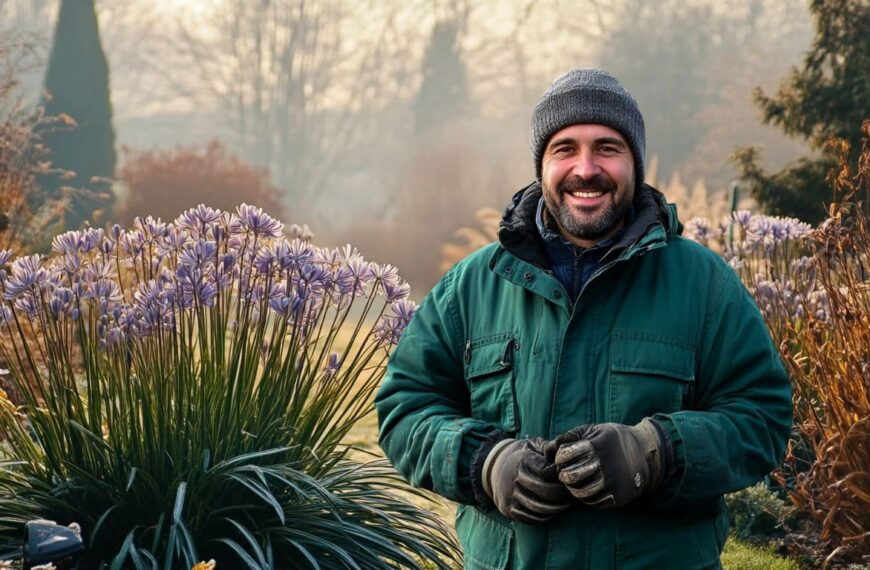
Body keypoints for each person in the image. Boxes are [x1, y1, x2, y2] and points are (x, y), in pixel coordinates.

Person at [375, 68, 792, 569]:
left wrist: (654, 452)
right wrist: (484, 463)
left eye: (607, 148)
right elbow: (405, 407)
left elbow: (762, 417)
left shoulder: (702, 284)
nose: (586, 168)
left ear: (635, 162)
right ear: (542, 164)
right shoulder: (472, 285)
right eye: (565, 148)